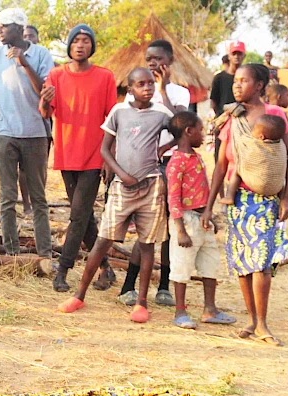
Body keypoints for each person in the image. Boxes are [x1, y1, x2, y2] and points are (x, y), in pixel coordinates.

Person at [58, 68, 172, 323]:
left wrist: (164, 147)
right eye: (141, 84)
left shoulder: (161, 112)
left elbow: (182, 126)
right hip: (122, 186)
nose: (148, 88)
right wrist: (121, 173)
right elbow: (105, 148)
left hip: (151, 186)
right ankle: (79, 295)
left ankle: (141, 302)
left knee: (146, 244)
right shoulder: (119, 111)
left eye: (151, 83)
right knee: (102, 240)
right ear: (130, 89)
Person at [205, 64, 288, 345]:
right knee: (242, 262)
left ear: (259, 85)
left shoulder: (275, 115)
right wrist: (209, 206)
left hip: (266, 200)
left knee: (262, 264)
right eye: (236, 81)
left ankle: (263, 323)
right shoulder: (233, 116)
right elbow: (221, 164)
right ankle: (252, 321)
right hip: (238, 200)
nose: (237, 85)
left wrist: (287, 197)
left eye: (244, 81)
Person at [0, 8, 55, 262]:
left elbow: (46, 90)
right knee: (7, 197)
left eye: (3, 27)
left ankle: (45, 253)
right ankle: (12, 253)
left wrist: (23, 62)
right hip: (5, 133)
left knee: (38, 197)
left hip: (36, 133)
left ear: (18, 28)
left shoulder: (40, 54)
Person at [39, 24, 116, 293]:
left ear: (91, 46)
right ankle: (106, 266)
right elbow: (46, 113)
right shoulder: (56, 75)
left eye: (85, 41)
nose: (80, 45)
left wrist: (109, 158)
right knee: (83, 217)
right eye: (76, 41)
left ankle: (63, 270)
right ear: (70, 46)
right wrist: (45, 100)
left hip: (95, 156)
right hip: (66, 153)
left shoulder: (105, 77)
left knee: (77, 216)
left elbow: (112, 121)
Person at [116, 39, 190, 307]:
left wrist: (163, 90)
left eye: (158, 59)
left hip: (172, 165)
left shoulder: (180, 93)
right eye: (149, 58)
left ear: (169, 62)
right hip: (144, 167)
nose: (152, 63)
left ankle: (164, 286)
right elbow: (125, 129)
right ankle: (128, 286)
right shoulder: (134, 93)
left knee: (169, 229)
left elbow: (179, 125)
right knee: (147, 230)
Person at [165, 111, 236, 329]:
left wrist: (210, 214)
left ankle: (210, 309)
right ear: (188, 132)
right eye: (200, 129)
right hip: (185, 220)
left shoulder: (195, 157)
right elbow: (173, 198)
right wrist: (180, 230)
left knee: (210, 264)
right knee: (182, 266)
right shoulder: (176, 162)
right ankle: (180, 311)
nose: (203, 134)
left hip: (202, 219)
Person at [219, 114, 287, 205]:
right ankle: (282, 197)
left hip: (257, 185)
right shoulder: (280, 145)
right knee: (279, 178)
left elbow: (244, 148)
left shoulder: (253, 144)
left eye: (254, 129)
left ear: (261, 137)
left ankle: (229, 196)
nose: (252, 130)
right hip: (276, 188)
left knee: (238, 169)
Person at [211, 42, 245, 160]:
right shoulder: (219, 78)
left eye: (239, 54)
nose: (237, 56)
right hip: (223, 122)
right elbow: (213, 102)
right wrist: (223, 115)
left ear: (244, 56)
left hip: (243, 122)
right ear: (229, 56)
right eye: (234, 53)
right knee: (220, 157)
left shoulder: (248, 78)